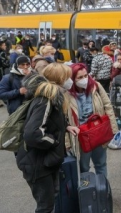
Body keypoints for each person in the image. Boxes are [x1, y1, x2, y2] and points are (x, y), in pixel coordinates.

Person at [16, 66, 78, 213]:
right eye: (67, 77)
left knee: (51, 199)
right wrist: (55, 142)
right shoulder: (45, 100)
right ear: (59, 80)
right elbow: (33, 134)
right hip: (37, 163)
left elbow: (50, 121)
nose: (70, 81)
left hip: (45, 161)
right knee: (45, 207)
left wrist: (66, 127)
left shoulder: (52, 97)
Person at [67, 63, 118, 177]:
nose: (84, 79)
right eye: (80, 77)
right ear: (72, 79)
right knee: (84, 167)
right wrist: (67, 142)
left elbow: (108, 106)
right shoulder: (66, 93)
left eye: (86, 75)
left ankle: (103, 190)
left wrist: (113, 128)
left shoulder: (96, 86)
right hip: (81, 135)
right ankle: (87, 191)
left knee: (101, 164)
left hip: (98, 131)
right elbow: (65, 118)